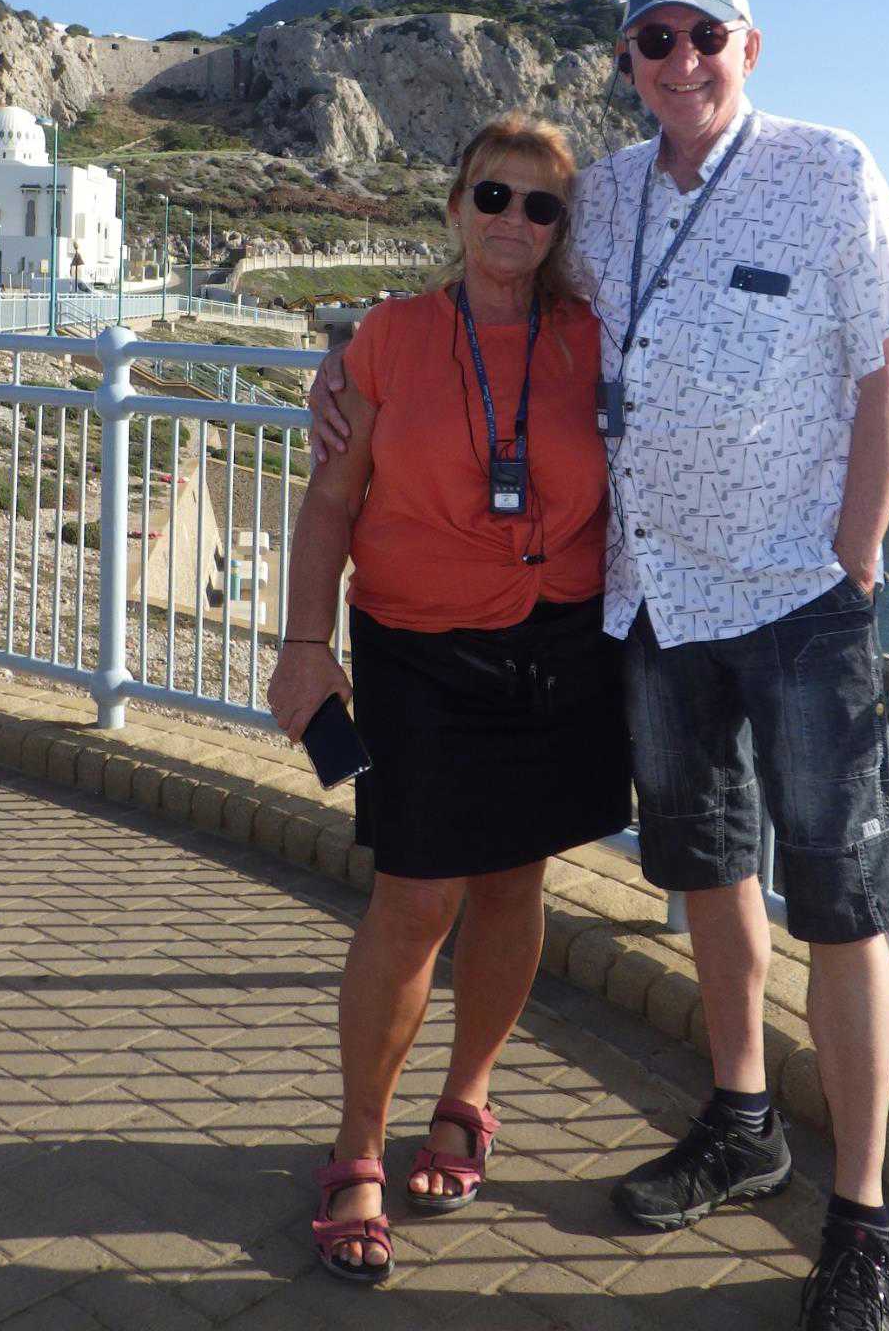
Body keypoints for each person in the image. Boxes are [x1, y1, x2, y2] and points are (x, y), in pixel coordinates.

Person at [310, 0, 889, 1331]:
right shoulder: (604, 194)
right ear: (629, 61)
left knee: (842, 903)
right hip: (652, 605)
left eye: (703, 34)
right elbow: (499, 279)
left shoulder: (828, 169)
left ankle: (862, 1215)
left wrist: (855, 552)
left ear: (748, 46)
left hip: (796, 600)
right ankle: (741, 1119)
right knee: (709, 873)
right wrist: (338, 364)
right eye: (654, 39)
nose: (679, 59)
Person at [268, 111, 631, 1285]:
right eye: (493, 194)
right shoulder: (389, 337)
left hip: (557, 644)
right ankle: (358, 1143)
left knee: (516, 879)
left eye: (541, 204)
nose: (514, 219)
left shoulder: (592, 338)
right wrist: (304, 643)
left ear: (562, 227)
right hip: (417, 648)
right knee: (416, 896)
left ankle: (468, 1097)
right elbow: (332, 501)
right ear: (456, 204)